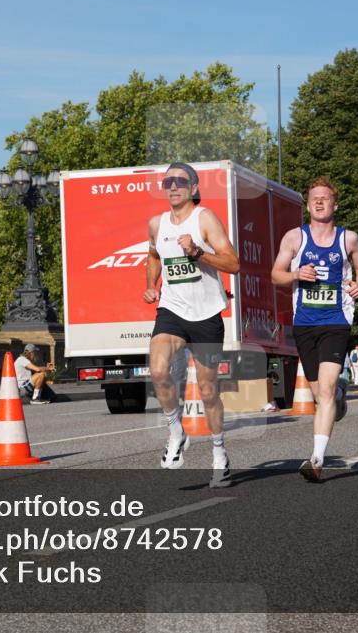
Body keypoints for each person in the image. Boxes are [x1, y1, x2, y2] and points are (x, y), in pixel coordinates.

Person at [144, 162, 240, 488]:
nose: (173, 186)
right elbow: (154, 255)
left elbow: (233, 263)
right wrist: (150, 285)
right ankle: (176, 433)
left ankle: (219, 455)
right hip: (172, 310)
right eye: (168, 181)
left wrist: (198, 252)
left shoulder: (205, 219)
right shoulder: (156, 224)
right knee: (158, 370)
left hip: (207, 315)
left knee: (209, 391)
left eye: (181, 181)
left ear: (194, 188)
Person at [271, 177, 358, 483]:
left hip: (335, 322)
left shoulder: (348, 239)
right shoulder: (293, 238)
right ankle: (339, 397)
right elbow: (276, 275)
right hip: (304, 323)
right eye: (314, 198)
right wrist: (296, 273)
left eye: (324, 198)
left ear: (334, 205)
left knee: (324, 392)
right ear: (309, 205)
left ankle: (316, 460)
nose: (318, 202)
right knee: (322, 398)